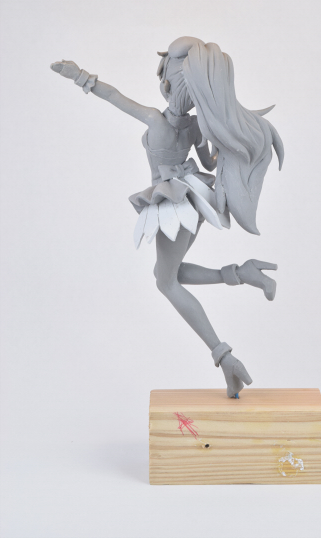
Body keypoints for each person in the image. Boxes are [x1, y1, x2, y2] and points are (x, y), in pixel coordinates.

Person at [50, 36, 284, 398]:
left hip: (172, 205)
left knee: (166, 282)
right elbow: (209, 163)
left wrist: (80, 76)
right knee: (169, 275)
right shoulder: (195, 126)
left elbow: (114, 97)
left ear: (167, 85)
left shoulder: (155, 120)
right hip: (194, 198)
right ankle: (242, 274)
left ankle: (225, 357)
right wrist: (225, 150)